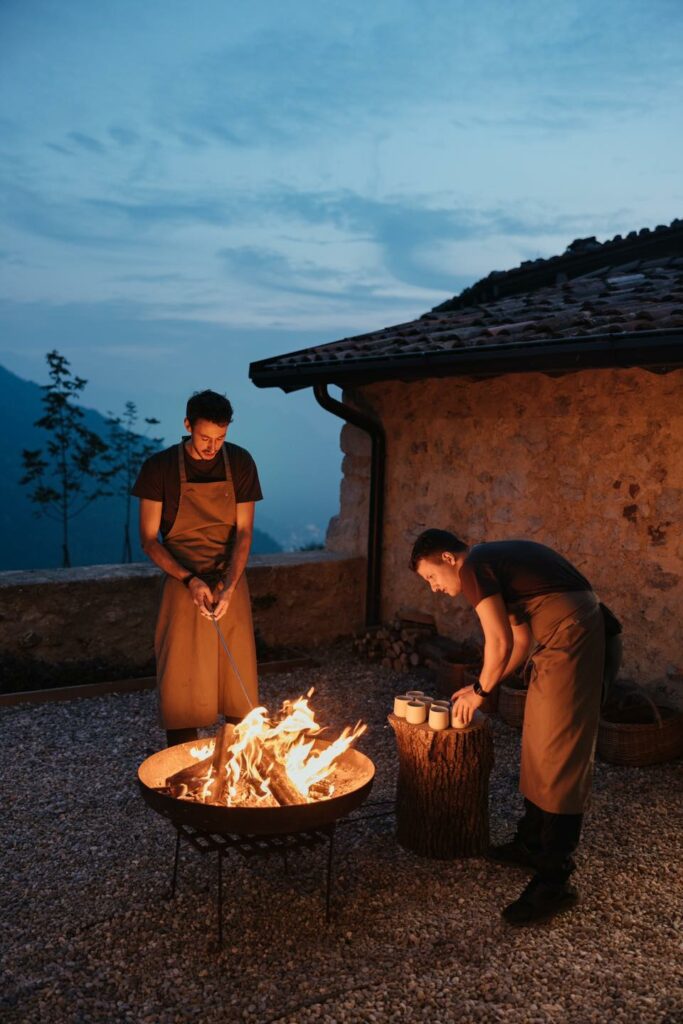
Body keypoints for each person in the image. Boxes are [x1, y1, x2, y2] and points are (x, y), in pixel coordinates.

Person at [410, 529, 622, 926]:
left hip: (575, 639)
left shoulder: (474, 567)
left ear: (448, 558)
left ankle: (555, 880)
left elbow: (499, 642)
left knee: (561, 755)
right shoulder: (494, 569)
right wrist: (480, 687)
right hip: (557, 644)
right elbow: (520, 644)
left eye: (431, 577)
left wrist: (479, 690)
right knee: (539, 744)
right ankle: (531, 842)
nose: (435, 588)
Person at [132, 390, 262, 747]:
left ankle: (239, 765)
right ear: (187, 425)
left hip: (229, 574)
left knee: (239, 683)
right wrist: (189, 579)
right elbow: (148, 540)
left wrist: (230, 585)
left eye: (220, 439)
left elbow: (246, 532)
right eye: (205, 438)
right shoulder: (159, 468)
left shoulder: (240, 463)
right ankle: (182, 759)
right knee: (182, 682)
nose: (212, 447)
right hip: (180, 576)